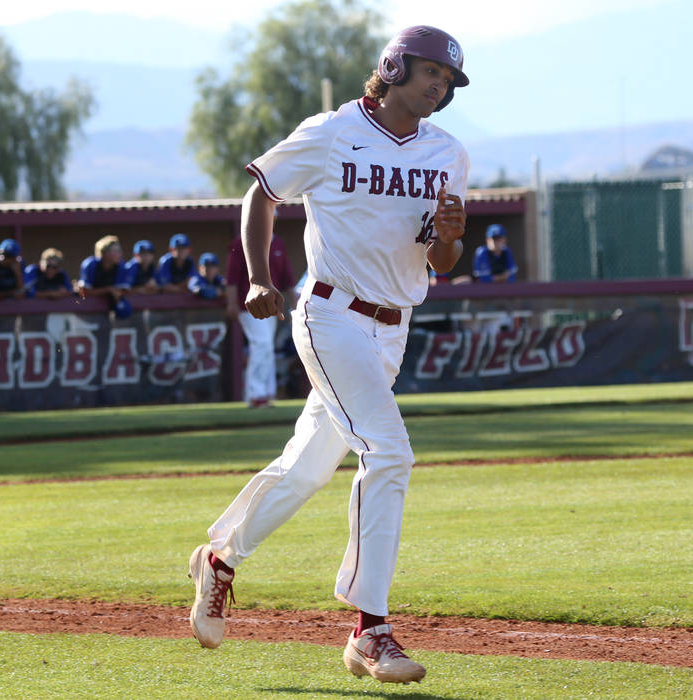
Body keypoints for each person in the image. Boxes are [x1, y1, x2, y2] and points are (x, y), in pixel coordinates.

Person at [187, 25, 470, 685]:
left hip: (392, 327)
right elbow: (262, 192)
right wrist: (260, 274)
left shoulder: (448, 154)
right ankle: (371, 630)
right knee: (389, 452)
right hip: (331, 314)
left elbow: (441, 259)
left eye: (448, 80)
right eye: (431, 71)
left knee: (307, 468)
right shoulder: (332, 131)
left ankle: (220, 559)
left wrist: (450, 239)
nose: (439, 86)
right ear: (394, 64)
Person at [224, 230, 296, 408]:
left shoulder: (278, 242)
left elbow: (287, 278)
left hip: (271, 306)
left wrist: (295, 305)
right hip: (248, 304)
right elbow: (231, 277)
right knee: (262, 344)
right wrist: (231, 302)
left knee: (267, 347)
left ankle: (266, 393)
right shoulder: (241, 241)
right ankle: (256, 394)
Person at [77, 235, 130, 302]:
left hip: (110, 306)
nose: (120, 254)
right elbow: (83, 291)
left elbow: (122, 291)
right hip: (88, 306)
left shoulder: (121, 266)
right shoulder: (90, 265)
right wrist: (108, 289)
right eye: (116, 251)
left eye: (119, 251)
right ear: (104, 253)